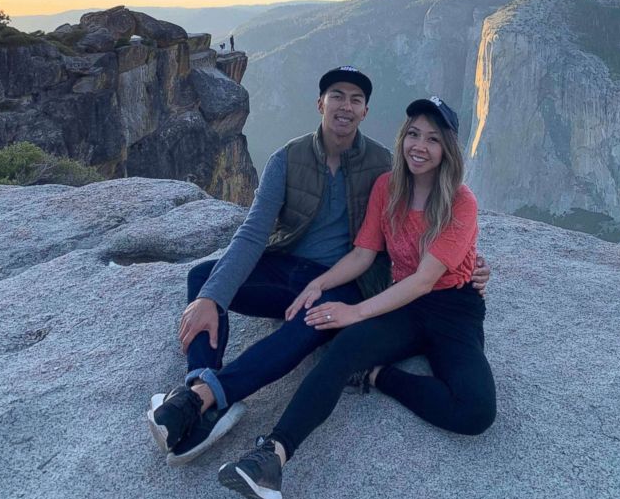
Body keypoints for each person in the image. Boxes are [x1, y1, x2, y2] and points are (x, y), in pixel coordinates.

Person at [147, 69, 491, 467]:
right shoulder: (292, 160)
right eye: (336, 96)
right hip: (296, 270)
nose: (345, 106)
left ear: (365, 111)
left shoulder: (383, 165)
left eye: (355, 99)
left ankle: (206, 399)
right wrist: (211, 297)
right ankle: (200, 391)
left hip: (353, 285)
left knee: (313, 323)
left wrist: (473, 266)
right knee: (203, 279)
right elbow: (253, 234)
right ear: (320, 103)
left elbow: (428, 244)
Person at [217, 96, 496, 499]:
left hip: (453, 308)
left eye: (433, 140)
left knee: (476, 412)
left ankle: (377, 376)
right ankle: (271, 455)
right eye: (414, 134)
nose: (420, 146)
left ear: (447, 150)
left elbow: (423, 281)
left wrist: (357, 311)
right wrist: (321, 284)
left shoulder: (460, 201)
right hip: (403, 307)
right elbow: (364, 253)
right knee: (343, 346)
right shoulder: (388, 188)